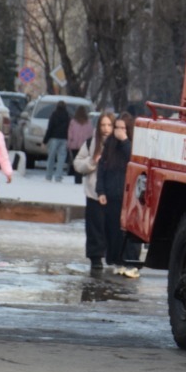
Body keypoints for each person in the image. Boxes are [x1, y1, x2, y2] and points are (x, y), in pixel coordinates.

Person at [96, 112, 138, 278]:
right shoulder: (109, 145)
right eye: (117, 127)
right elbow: (102, 169)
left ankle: (131, 262)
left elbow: (134, 160)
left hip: (129, 196)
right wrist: (101, 191)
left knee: (129, 231)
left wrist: (125, 141)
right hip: (112, 194)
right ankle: (116, 260)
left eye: (123, 128)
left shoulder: (132, 145)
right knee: (112, 230)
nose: (119, 131)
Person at [73, 111, 114, 270]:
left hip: (113, 194)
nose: (106, 128)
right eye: (103, 125)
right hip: (93, 193)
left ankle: (112, 256)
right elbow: (77, 164)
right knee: (94, 228)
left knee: (111, 228)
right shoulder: (91, 143)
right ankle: (96, 258)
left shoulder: (119, 143)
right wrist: (92, 161)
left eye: (109, 125)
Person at [66, 105, 95, 185]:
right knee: (83, 161)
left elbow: (70, 134)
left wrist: (69, 143)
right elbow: (90, 133)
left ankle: (77, 178)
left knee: (76, 161)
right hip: (84, 145)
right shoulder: (88, 122)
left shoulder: (73, 122)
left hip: (74, 145)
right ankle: (81, 176)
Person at [45, 100, 72, 182]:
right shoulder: (67, 116)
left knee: (51, 157)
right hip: (64, 138)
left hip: (54, 137)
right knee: (61, 158)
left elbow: (50, 127)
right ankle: (58, 176)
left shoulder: (54, 114)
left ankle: (49, 175)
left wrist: (45, 139)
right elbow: (69, 128)